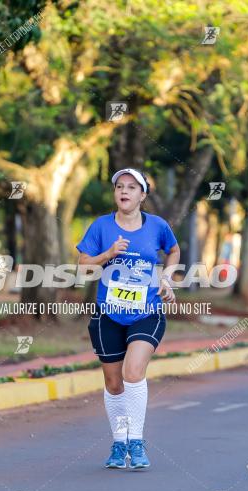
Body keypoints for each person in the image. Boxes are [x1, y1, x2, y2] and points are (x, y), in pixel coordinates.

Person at [76, 168, 180, 470]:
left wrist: (167, 278)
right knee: (113, 383)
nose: (124, 191)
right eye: (119, 187)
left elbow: (173, 251)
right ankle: (119, 442)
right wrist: (107, 253)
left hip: (147, 312)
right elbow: (83, 266)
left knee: (133, 372)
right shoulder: (101, 226)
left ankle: (136, 440)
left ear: (142, 195)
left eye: (132, 187)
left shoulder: (157, 226)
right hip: (108, 314)